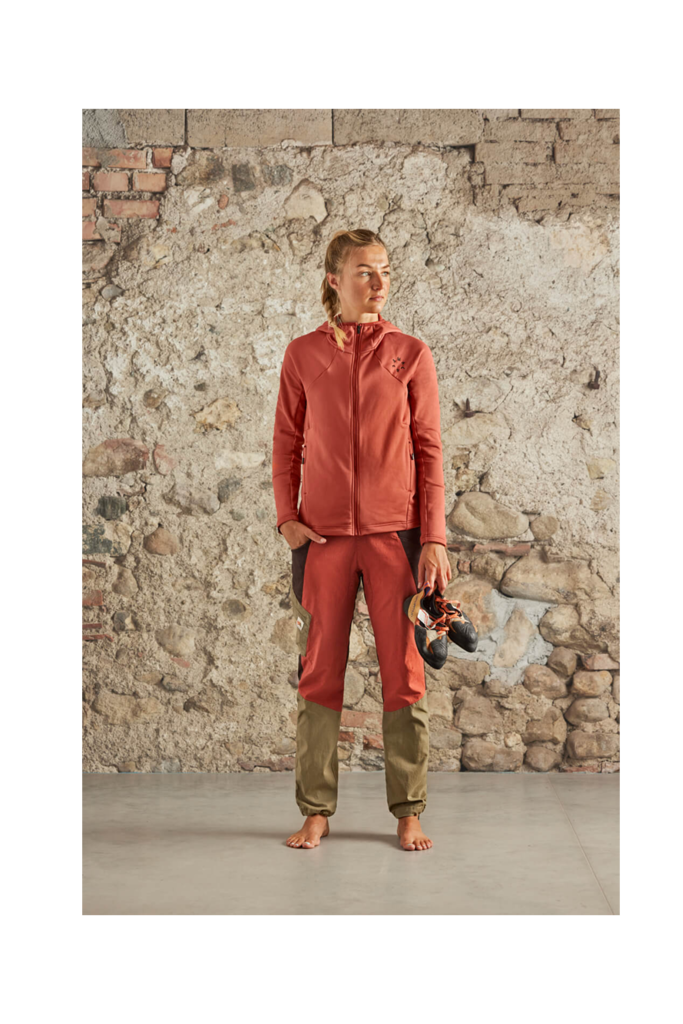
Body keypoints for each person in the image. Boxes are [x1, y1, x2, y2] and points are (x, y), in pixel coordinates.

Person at [272, 228, 450, 851]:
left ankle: (408, 810)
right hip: (321, 541)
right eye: (365, 271)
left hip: (395, 537)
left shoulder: (411, 353)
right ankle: (316, 809)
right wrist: (286, 517)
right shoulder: (302, 354)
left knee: (405, 672)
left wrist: (435, 538)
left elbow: (429, 451)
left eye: (385, 270)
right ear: (334, 279)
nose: (379, 282)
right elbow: (286, 441)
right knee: (319, 671)